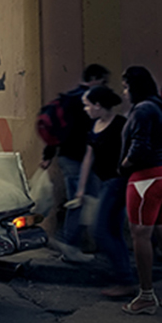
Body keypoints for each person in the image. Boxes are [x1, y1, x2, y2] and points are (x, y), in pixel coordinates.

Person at [118, 66, 162, 314]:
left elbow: (139, 148)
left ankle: (146, 296)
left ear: (134, 87)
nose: (124, 91)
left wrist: (124, 166)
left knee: (140, 235)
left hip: (147, 178)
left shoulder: (142, 110)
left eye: (126, 86)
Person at [39, 64, 110, 263]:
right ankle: (70, 244)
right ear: (95, 79)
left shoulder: (68, 99)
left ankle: (71, 243)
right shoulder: (86, 101)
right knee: (82, 200)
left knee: (79, 201)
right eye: (103, 81)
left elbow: (57, 131)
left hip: (68, 156)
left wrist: (48, 155)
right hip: (79, 157)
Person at [74, 85, 136, 297]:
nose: (86, 109)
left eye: (87, 105)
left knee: (100, 231)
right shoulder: (95, 126)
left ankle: (125, 279)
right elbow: (88, 158)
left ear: (98, 105)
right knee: (114, 232)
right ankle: (125, 278)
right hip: (105, 183)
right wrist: (81, 189)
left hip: (117, 182)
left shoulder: (121, 125)